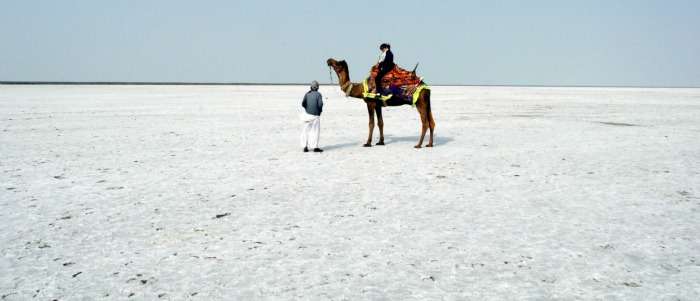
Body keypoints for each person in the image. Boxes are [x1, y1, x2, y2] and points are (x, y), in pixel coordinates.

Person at [300, 80, 324, 153]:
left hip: (307, 115)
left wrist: (307, 109)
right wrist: (319, 111)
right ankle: (314, 147)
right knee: (315, 131)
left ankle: (304, 147)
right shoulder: (318, 94)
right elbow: (320, 104)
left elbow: (303, 103)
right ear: (317, 87)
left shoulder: (307, 94)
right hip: (315, 116)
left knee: (305, 131)